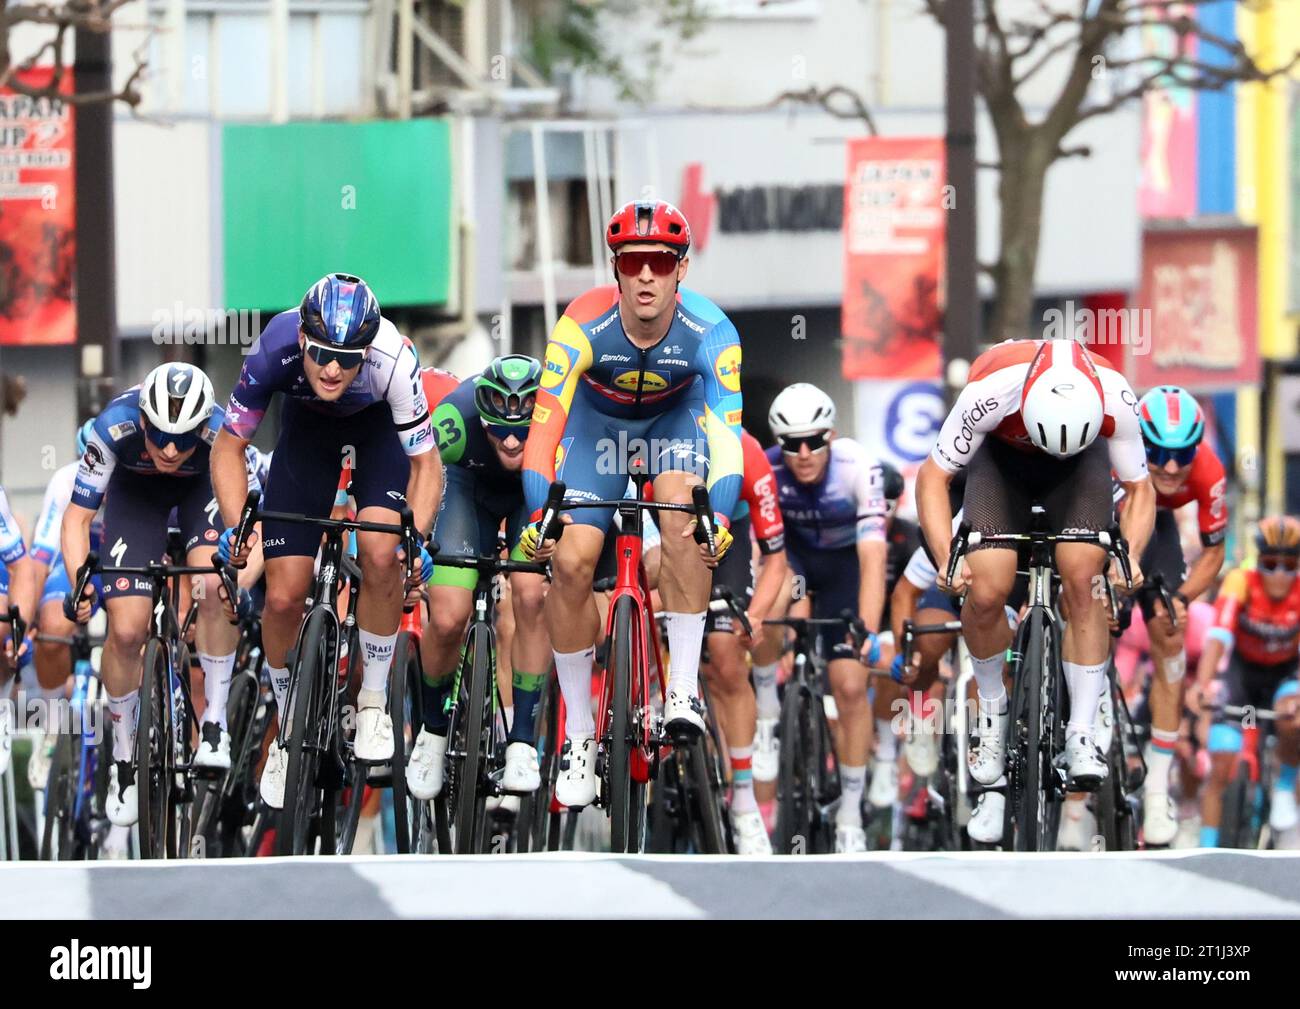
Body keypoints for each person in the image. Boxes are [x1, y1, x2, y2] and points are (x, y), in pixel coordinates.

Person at [518, 200, 743, 810]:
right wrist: (542, 510)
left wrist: (717, 516)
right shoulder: (580, 324)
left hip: (672, 426)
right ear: (615, 268)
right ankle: (580, 737)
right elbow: (544, 430)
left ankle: (682, 688)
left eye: (660, 262)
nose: (647, 276)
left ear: (682, 269)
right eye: (633, 262)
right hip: (596, 433)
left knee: (683, 517)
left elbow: (725, 437)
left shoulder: (713, 332)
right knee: (569, 561)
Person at [211, 273, 440, 810]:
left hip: (377, 430)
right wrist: (238, 527)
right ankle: (288, 721)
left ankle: (373, 701)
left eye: (348, 356)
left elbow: (425, 465)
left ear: (367, 348)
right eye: (321, 355)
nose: (333, 368)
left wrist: (418, 538)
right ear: (302, 342)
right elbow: (228, 448)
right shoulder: (273, 347)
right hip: (306, 436)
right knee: (285, 595)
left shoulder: (394, 359)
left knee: (384, 551)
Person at [915, 338, 1155, 844]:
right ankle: (994, 713)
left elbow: (1139, 490)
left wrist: (1128, 555)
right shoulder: (989, 390)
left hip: (1081, 471)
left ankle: (1081, 731)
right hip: (1002, 465)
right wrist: (944, 558)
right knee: (985, 588)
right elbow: (933, 478)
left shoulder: (1116, 396)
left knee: (1085, 576)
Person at [61, 363, 255, 826]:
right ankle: (124, 763)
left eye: (185, 438)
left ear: (201, 428)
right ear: (143, 421)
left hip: (201, 487)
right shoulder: (112, 428)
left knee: (212, 582)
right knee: (126, 631)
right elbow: (76, 520)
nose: (171, 449)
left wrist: (238, 586)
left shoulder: (222, 432)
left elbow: (252, 529)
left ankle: (214, 726)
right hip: (136, 495)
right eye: (162, 436)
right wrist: (80, 584)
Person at [406, 356, 555, 804]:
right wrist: (415, 542)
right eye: (499, 430)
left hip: (533, 489)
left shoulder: (559, 418)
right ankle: (431, 732)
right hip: (465, 486)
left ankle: (523, 741)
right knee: (449, 616)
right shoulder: (451, 420)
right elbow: (421, 478)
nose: (510, 439)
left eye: (521, 431)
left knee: (529, 595)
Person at [763, 382, 889, 852]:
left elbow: (874, 558)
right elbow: (764, 552)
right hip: (793, 561)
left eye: (813, 440)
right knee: (772, 604)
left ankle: (852, 812)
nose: (802, 453)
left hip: (844, 568)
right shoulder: (769, 469)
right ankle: (766, 705)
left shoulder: (858, 466)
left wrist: (868, 631)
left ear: (830, 436)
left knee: (851, 685)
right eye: (790, 443)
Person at [1108, 386, 1226, 846]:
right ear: (1139, 444)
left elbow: (1213, 554)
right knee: (1092, 597)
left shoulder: (1209, 472)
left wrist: (1183, 598)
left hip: (1158, 528)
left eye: (1182, 455)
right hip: (1109, 516)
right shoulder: (1114, 455)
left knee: (1169, 631)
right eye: (1157, 452)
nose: (1172, 467)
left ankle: (1158, 790)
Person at [700, 428, 786, 854]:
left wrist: (755, 615)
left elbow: (776, 558)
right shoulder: (641, 429)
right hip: (657, 531)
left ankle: (746, 799)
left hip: (724, 543)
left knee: (727, 656)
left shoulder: (748, 452)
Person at [1190, 516, 1300, 847]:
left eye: (1289, 565)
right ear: (1258, 561)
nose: (1279, 574)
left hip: (1284, 677)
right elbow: (1219, 638)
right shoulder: (1240, 581)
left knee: (1292, 718)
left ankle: (1283, 785)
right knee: (1222, 762)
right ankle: (1208, 848)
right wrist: (1202, 685)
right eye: (1270, 564)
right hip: (1244, 680)